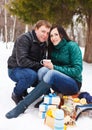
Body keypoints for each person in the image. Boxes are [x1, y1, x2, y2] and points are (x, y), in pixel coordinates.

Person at [5, 25, 83, 119]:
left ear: (62, 35)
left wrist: (54, 67)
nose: (53, 38)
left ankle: (22, 106)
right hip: (58, 83)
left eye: (56, 34)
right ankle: (47, 97)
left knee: (52, 73)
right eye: (51, 36)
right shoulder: (52, 49)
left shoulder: (72, 46)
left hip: (73, 84)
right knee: (42, 71)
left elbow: (78, 70)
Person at [7, 20, 51, 104]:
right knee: (31, 76)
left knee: (44, 74)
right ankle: (16, 93)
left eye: (47, 33)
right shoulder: (24, 39)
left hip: (30, 68)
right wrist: (40, 66)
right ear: (36, 29)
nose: (45, 35)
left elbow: (41, 60)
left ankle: (26, 89)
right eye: (43, 31)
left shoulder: (43, 43)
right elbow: (22, 61)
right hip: (15, 69)